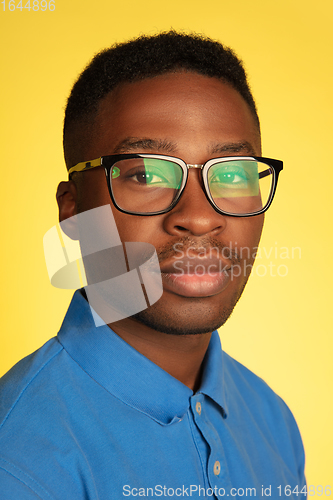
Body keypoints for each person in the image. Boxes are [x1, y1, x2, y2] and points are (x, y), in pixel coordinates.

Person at [0, 31, 306, 499]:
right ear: (73, 209)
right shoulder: (19, 459)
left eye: (231, 174)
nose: (200, 216)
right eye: (146, 174)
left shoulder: (272, 419)